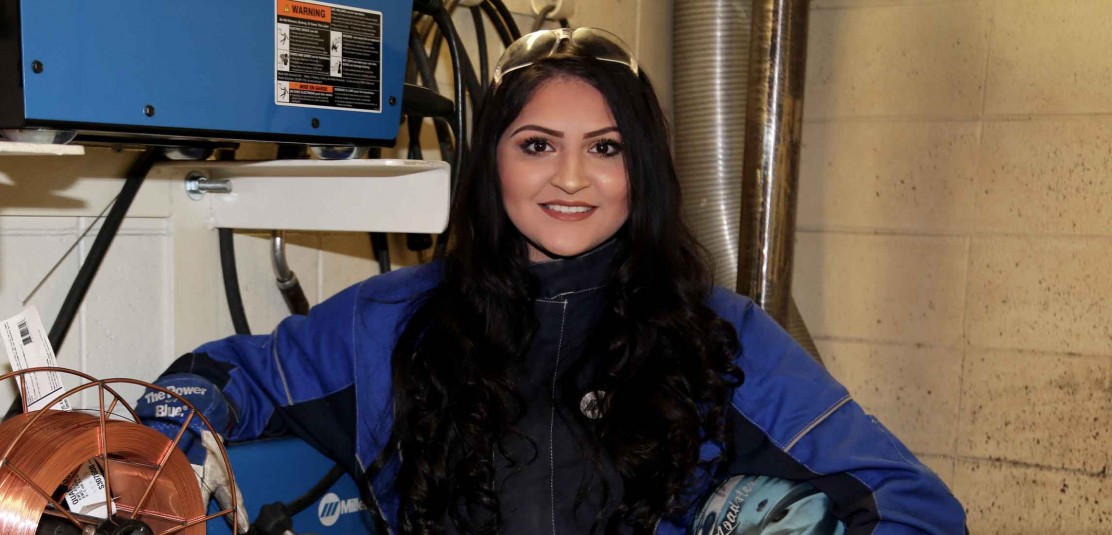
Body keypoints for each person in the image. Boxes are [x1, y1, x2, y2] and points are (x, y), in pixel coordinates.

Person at [138, 28, 965, 534]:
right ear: (490, 161)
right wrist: (154, 439)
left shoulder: (722, 335)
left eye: (605, 148)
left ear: (642, 169)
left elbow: (912, 507)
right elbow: (228, 374)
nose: (571, 177)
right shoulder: (387, 323)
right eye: (537, 144)